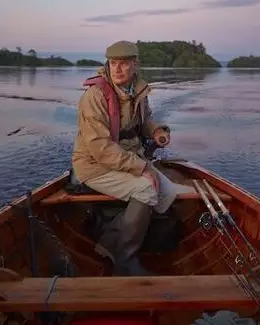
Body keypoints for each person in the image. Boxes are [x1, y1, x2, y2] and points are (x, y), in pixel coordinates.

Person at [71, 40, 189, 275]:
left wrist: (157, 131)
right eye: (113, 63)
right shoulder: (94, 96)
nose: (117, 69)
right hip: (94, 165)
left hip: (128, 158)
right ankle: (124, 257)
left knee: (169, 194)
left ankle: (112, 238)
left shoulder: (138, 91)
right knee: (146, 189)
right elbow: (101, 148)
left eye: (123, 64)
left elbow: (145, 121)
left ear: (135, 65)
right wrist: (141, 168)